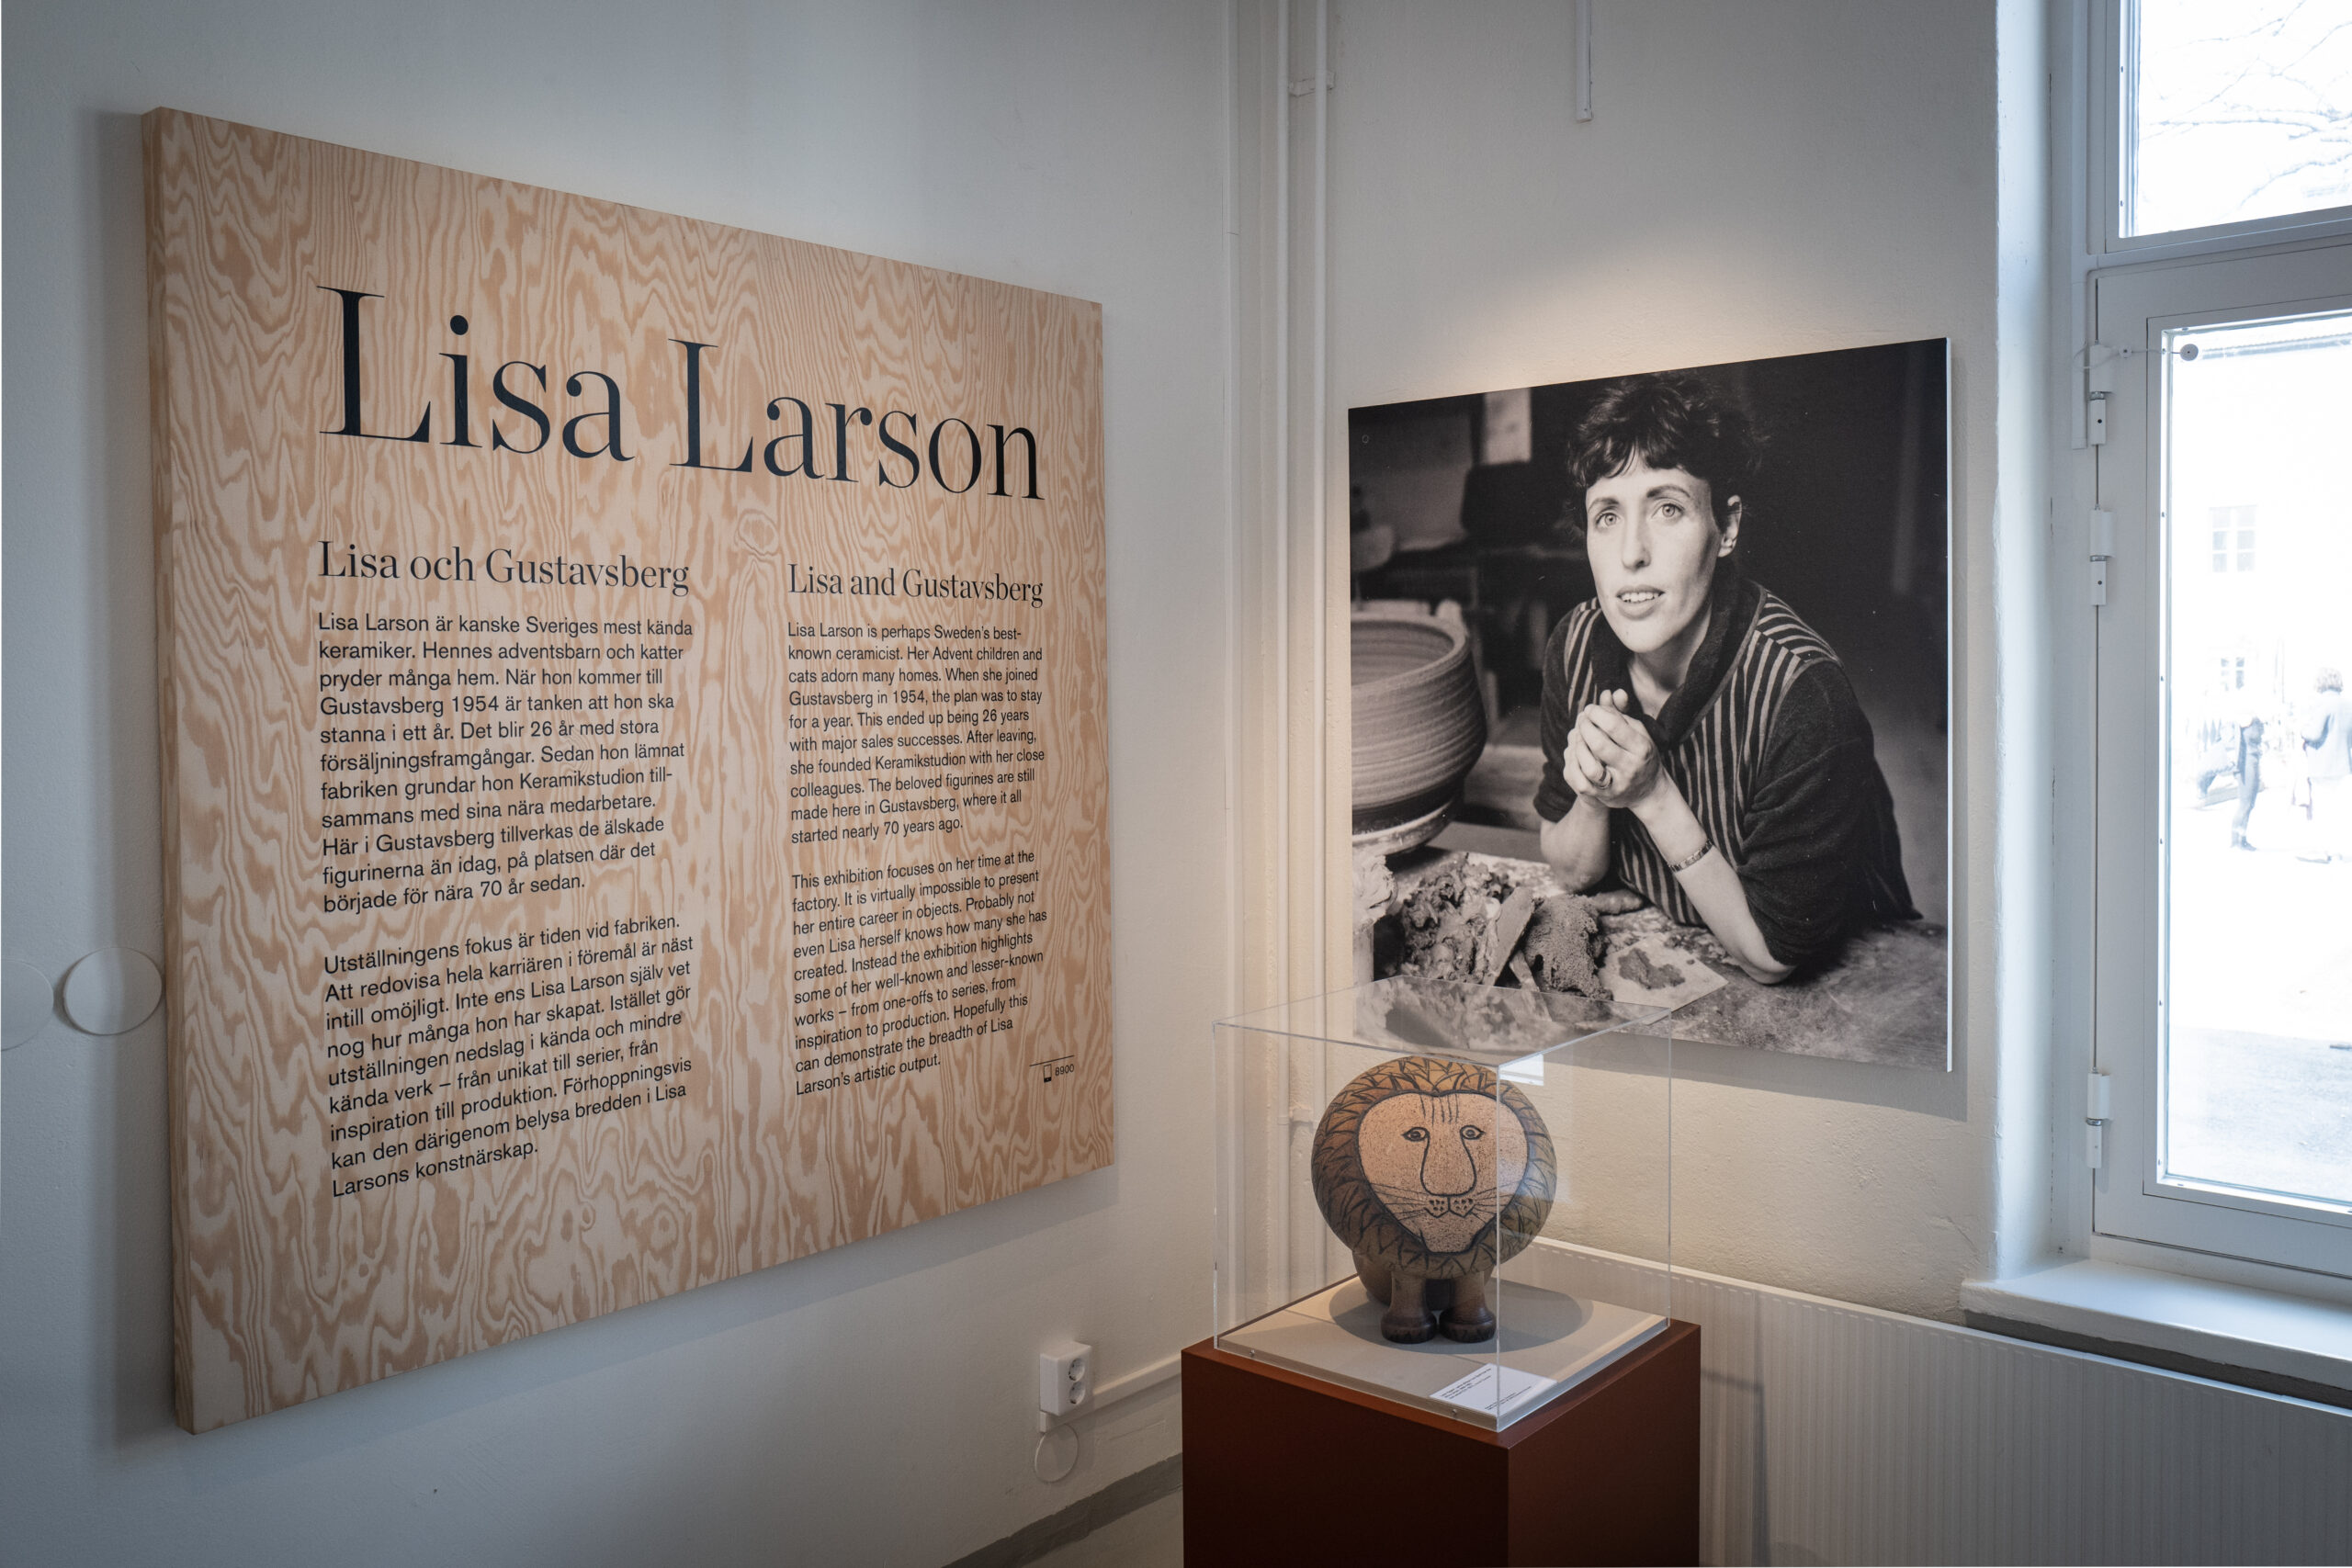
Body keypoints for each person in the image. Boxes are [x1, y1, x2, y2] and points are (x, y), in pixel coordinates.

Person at [1534, 371, 1915, 983]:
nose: (1632, 553)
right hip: (1690, 947)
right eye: (1607, 516)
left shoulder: (1802, 693)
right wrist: (1595, 794)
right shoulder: (1575, 646)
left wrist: (1651, 795)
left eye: (1667, 508)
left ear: (1727, 527)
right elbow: (1569, 865)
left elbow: (1775, 956)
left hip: (1863, 976)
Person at [2301, 668, 2352, 863]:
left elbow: (2313, 733)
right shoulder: (2348, 705)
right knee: (2337, 809)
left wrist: (2302, 730)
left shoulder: (2322, 704)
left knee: (2321, 809)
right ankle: (2336, 851)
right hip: (2343, 764)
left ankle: (2322, 850)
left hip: (2321, 764)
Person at [2231, 709, 2264, 851]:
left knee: (2249, 805)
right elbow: (2255, 734)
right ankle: (2235, 841)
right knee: (2245, 804)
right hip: (2246, 765)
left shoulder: (2251, 721)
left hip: (2252, 762)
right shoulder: (2246, 720)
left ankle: (2242, 839)